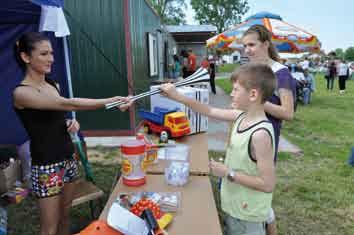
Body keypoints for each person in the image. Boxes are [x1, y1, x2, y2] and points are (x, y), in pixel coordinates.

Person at [12, 32, 132, 235]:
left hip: (68, 158)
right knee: (49, 227)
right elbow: (67, 103)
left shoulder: (53, 85)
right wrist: (111, 101)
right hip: (47, 165)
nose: (51, 58)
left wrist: (69, 121)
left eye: (51, 53)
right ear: (26, 57)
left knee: (65, 215)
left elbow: (55, 115)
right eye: (43, 54)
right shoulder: (22, 93)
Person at [161, 63, 276, 235]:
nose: (231, 94)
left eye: (236, 90)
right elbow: (208, 110)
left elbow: (268, 185)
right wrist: (177, 96)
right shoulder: (240, 116)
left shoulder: (260, 135)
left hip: (248, 214)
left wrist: (228, 173)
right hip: (236, 205)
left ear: (253, 94)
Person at [241, 24, 295, 235]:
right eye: (245, 46)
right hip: (245, 138)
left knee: (261, 194)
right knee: (250, 193)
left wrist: (257, 101)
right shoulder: (251, 71)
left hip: (264, 143)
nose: (247, 50)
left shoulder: (281, 73)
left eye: (252, 45)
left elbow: (288, 113)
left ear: (265, 44)